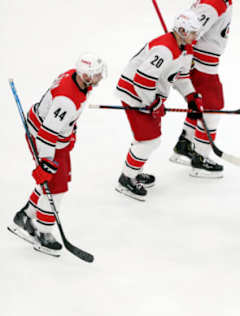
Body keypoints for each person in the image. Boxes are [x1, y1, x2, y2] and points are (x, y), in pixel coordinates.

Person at [8, 53, 106, 256]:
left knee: (53, 184)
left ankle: (25, 216)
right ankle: (43, 233)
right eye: (96, 74)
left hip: (53, 136)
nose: (99, 78)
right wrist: (46, 162)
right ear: (85, 76)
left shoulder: (75, 77)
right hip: (45, 139)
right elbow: (47, 133)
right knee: (55, 188)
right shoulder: (66, 100)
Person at [115, 10, 203, 201]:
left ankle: (133, 170)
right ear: (181, 30)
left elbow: (181, 77)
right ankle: (126, 178)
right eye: (194, 32)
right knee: (149, 140)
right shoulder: (165, 50)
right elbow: (141, 80)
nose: (197, 36)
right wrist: (153, 103)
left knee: (148, 140)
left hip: (147, 96)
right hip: (134, 94)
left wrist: (191, 96)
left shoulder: (186, 48)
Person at [169, 0, 233, 178]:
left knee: (198, 105)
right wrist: (183, 60)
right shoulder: (214, 3)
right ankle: (200, 159)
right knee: (212, 109)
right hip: (202, 65)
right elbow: (190, 33)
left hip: (200, 61)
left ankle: (185, 145)